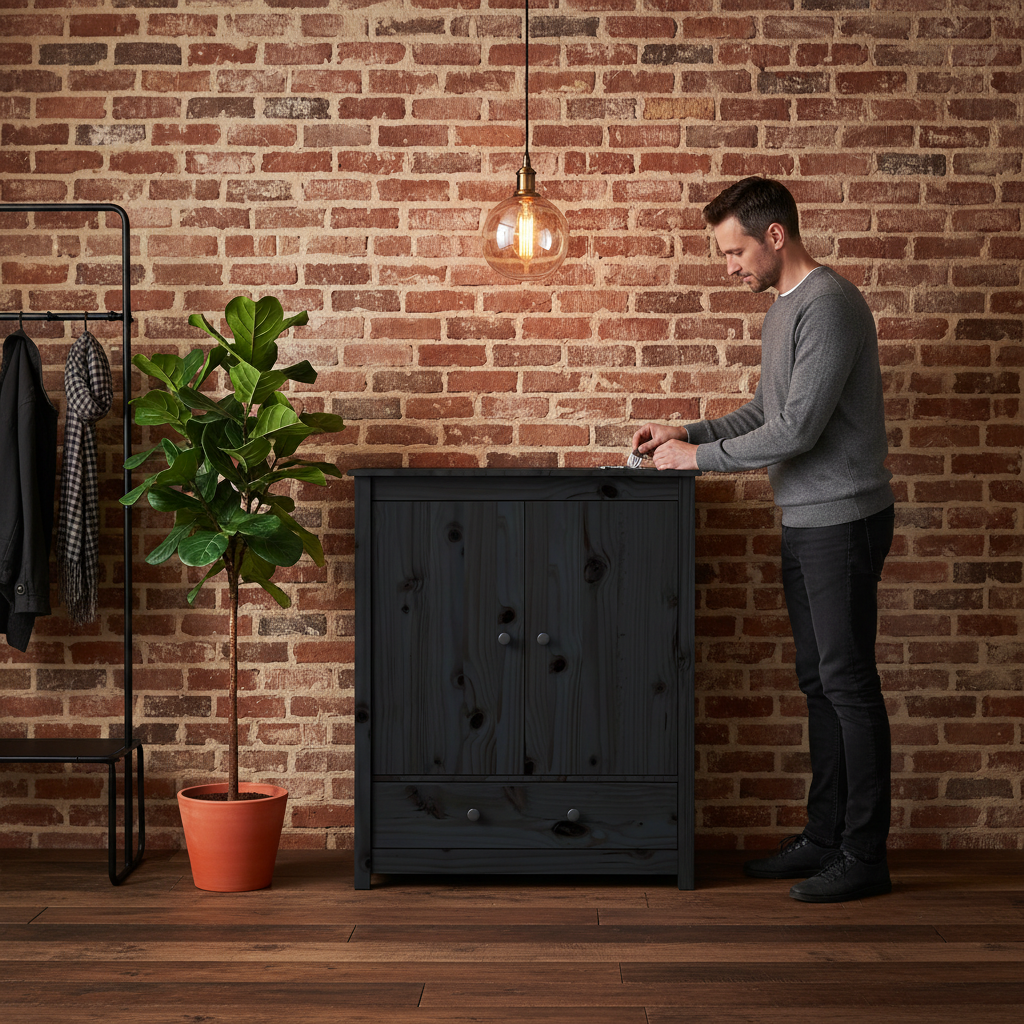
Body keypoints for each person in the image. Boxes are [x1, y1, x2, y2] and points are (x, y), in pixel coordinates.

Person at [632, 176, 896, 903]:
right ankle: (824, 837)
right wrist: (689, 429)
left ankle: (864, 854)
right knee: (819, 683)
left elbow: (799, 431)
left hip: (843, 520)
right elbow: (765, 411)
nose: (728, 266)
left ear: (775, 236)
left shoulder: (830, 306)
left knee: (847, 685)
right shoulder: (784, 310)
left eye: (734, 250)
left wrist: (698, 461)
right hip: (807, 520)